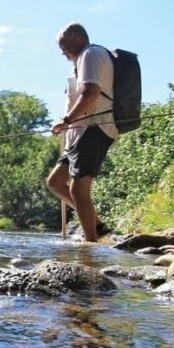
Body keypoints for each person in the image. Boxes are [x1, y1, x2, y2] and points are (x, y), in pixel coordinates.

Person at [47, 22, 117, 242]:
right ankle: (96, 225)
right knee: (55, 182)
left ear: (77, 37)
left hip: (94, 128)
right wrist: (66, 124)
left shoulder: (92, 54)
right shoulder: (80, 62)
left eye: (64, 45)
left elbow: (90, 94)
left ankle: (91, 246)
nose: (63, 52)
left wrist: (68, 120)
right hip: (78, 133)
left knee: (79, 190)